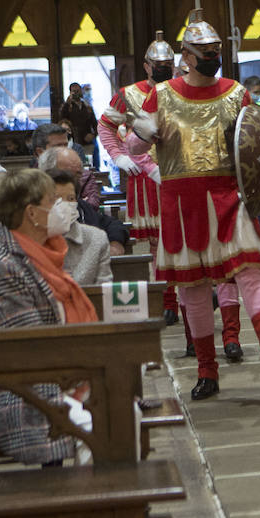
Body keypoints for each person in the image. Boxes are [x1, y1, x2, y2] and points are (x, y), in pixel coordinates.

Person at [118, 9, 260, 401]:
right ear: (186, 55)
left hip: (228, 195)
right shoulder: (161, 95)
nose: (211, 56)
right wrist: (139, 134)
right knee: (194, 288)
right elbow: (134, 148)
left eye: (216, 49)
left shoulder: (237, 93)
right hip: (180, 200)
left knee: (249, 270)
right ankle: (206, 370)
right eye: (204, 50)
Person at [0, 169, 97, 464]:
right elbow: (30, 353)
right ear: (32, 214)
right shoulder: (2, 267)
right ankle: (87, 508)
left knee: (125, 412)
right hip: (27, 398)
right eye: (53, 201)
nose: (63, 207)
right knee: (110, 429)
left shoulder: (42, 255)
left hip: (60, 381)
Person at [99, 32, 174, 316]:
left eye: (168, 62)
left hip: (180, 171)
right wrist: (118, 155)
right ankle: (166, 301)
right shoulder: (128, 94)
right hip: (145, 175)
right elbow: (106, 126)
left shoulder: (182, 89)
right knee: (157, 243)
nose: (163, 67)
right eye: (158, 63)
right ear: (147, 65)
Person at [39, 147, 125, 253]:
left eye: (78, 174)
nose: (73, 181)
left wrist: (115, 244)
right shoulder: (34, 213)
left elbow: (112, 224)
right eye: (67, 174)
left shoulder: (82, 207)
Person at [49, 169, 112, 285]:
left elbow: (103, 290)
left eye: (70, 198)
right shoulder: (31, 238)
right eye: (57, 198)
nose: (64, 204)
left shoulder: (96, 238)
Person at [61, 83, 99, 165]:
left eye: (78, 91)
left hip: (88, 140)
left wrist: (93, 134)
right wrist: (67, 103)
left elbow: (95, 124)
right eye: (74, 91)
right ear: (70, 92)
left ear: (81, 91)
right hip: (74, 140)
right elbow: (62, 121)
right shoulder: (67, 106)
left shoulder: (87, 105)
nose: (76, 93)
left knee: (92, 163)